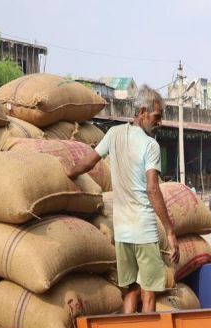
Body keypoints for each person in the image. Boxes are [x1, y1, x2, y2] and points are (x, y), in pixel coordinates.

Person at [68, 85, 179, 314]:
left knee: (129, 292)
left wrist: (68, 174)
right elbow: (152, 189)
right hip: (144, 230)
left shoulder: (113, 134)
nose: (159, 123)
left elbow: (88, 162)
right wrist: (169, 231)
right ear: (142, 112)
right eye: (157, 117)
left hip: (122, 232)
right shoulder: (150, 145)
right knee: (148, 295)